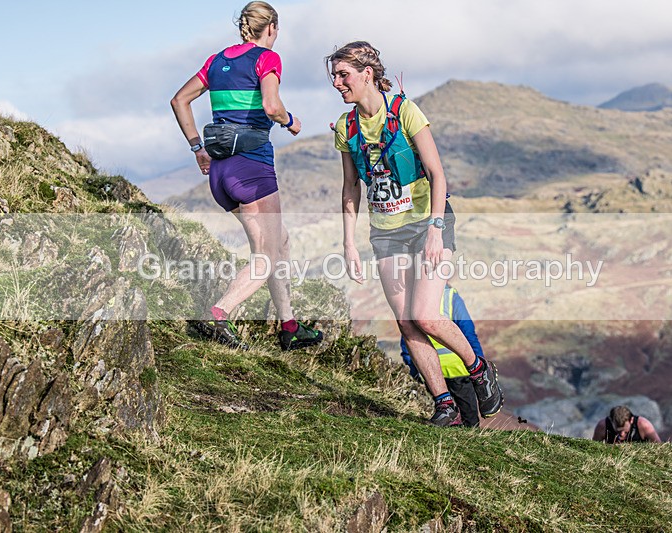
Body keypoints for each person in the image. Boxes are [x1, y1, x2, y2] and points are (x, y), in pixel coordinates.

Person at [327, 41, 502, 426]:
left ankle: (479, 371)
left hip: (428, 224)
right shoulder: (345, 127)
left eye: (343, 75)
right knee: (406, 322)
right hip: (386, 233)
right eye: (334, 76)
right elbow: (350, 187)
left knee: (426, 315)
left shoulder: (405, 112)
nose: (337, 83)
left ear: (367, 74)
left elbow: (438, 174)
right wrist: (348, 244)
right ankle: (444, 404)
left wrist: (436, 230)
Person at [171, 1, 322, 351]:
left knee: (279, 242)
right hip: (252, 169)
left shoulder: (216, 61)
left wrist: (197, 148)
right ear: (271, 28)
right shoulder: (267, 58)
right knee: (266, 256)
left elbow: (179, 100)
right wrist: (290, 121)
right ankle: (219, 313)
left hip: (220, 173)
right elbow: (271, 106)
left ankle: (289, 326)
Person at [400, 284, 486, 427]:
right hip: (458, 370)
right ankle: (471, 438)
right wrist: (480, 368)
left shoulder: (413, 297)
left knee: (443, 416)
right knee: (469, 418)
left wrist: (415, 372)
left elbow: (408, 341)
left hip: (431, 373)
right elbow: (469, 333)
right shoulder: (450, 297)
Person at [593, 405, 662, 444]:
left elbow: (660, 447)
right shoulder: (602, 426)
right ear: (611, 421)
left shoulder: (644, 425)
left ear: (631, 420)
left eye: (626, 432)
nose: (622, 434)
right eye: (618, 431)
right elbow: (593, 449)